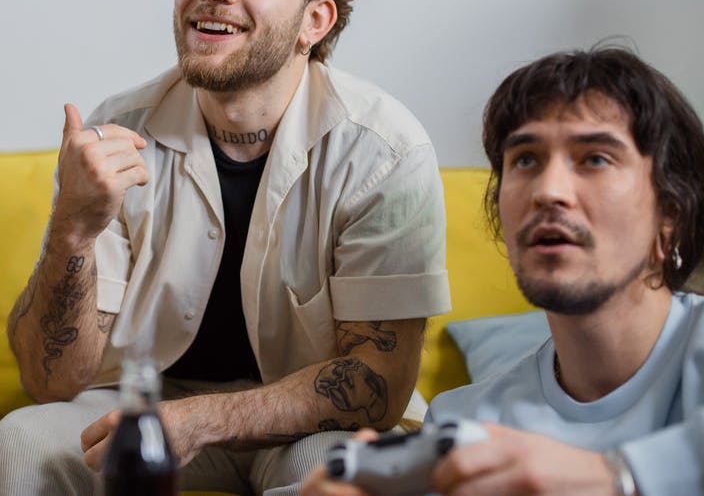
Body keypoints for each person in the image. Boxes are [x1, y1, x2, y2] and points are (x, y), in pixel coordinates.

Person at [0, 0, 451, 493]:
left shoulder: (383, 153)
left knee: (339, 468)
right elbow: (52, 383)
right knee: (22, 440)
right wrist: (72, 226)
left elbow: (378, 383)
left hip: (307, 427)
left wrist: (200, 420)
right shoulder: (114, 133)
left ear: (315, 19)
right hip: (143, 402)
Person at [299, 47, 704, 495]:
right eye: (526, 160)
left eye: (595, 159)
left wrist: (618, 478)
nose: (548, 191)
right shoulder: (467, 420)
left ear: (671, 211)